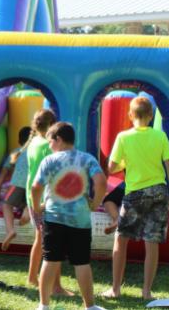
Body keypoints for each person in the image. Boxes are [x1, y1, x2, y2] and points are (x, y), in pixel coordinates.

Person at [102, 96, 169, 301]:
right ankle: (146, 291)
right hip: (159, 192)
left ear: (130, 115)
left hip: (135, 193)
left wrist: (124, 162)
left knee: (121, 239)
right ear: (151, 116)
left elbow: (111, 167)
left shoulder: (123, 137)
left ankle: (115, 289)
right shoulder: (160, 136)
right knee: (151, 241)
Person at [30, 122, 107, 310]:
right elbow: (102, 182)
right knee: (82, 262)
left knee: (49, 260)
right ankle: (90, 306)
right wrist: (95, 204)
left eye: (50, 141)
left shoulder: (49, 160)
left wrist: (37, 206)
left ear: (58, 139)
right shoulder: (87, 159)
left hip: (54, 218)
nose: (49, 145)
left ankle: (43, 305)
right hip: (80, 220)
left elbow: (36, 187)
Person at [26, 109, 69, 294]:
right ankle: (56, 286)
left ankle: (31, 277)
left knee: (40, 238)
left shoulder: (33, 142)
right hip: (44, 198)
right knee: (53, 241)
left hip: (32, 195)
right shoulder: (46, 146)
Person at [0, 126, 32, 251]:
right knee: (27, 198)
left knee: (7, 205)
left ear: (19, 141)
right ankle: (27, 209)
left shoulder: (16, 152)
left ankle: (10, 230)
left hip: (17, 183)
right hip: (32, 186)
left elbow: (3, 172)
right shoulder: (37, 152)